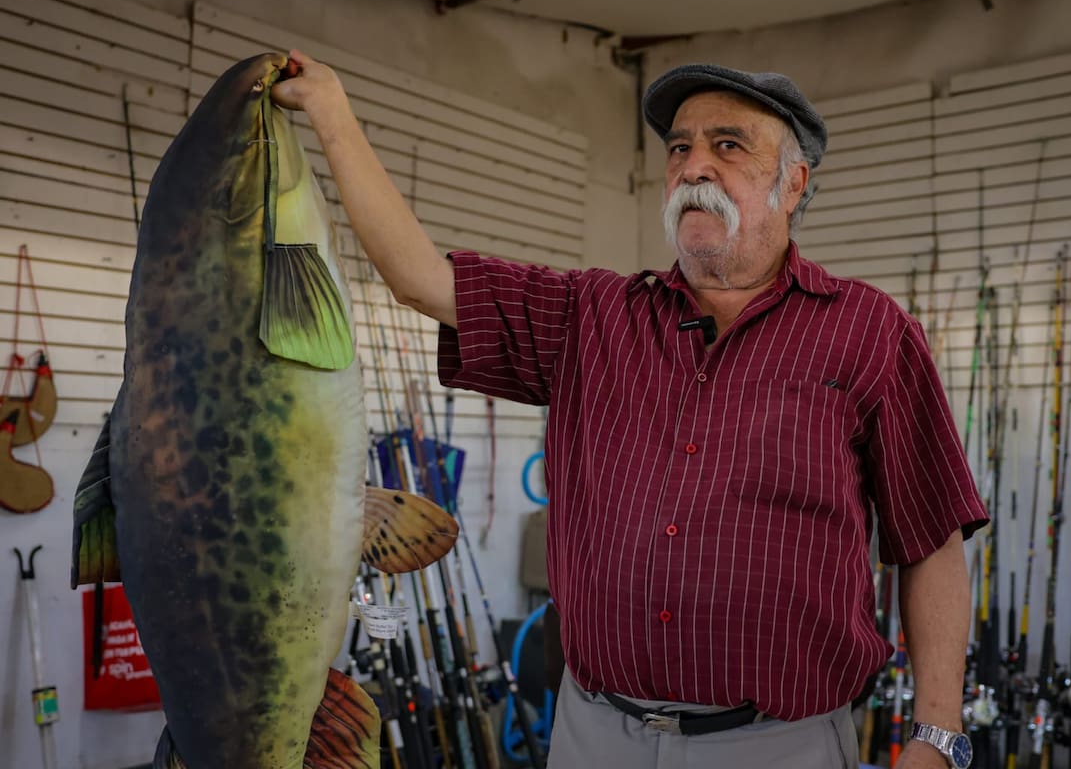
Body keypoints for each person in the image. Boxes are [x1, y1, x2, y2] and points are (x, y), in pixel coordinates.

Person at [273, 50, 989, 769]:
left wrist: (937, 733)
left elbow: (929, 539)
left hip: (781, 742)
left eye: (728, 145)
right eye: (680, 147)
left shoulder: (869, 332)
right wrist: (332, 113)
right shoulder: (592, 315)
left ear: (793, 182)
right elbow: (422, 280)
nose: (694, 166)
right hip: (594, 734)